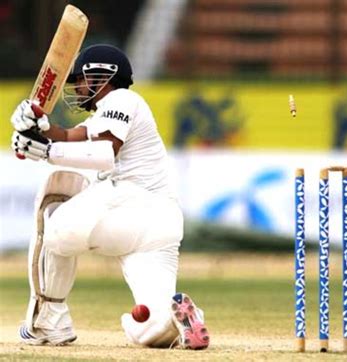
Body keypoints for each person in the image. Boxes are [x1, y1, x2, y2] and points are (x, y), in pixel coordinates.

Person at [10, 44, 210, 349]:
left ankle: (48, 322)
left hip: (129, 205)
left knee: (55, 198)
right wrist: (38, 129)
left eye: (79, 79)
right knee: (149, 327)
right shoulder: (106, 115)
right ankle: (181, 318)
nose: (76, 87)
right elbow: (66, 136)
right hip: (162, 225)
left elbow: (105, 153)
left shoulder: (122, 99)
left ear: (101, 76)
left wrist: (48, 152)